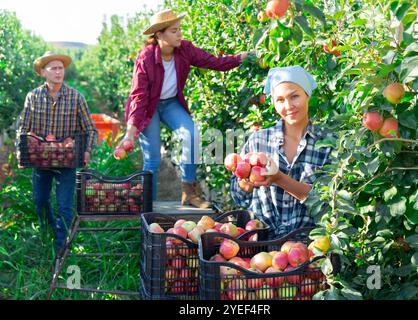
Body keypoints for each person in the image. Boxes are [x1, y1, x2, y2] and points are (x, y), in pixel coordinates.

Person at [121, 9, 251, 208]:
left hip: (170, 103)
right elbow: (138, 96)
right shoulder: (146, 57)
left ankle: (188, 191)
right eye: (174, 31)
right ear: (159, 34)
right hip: (148, 107)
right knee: (153, 158)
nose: (179, 34)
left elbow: (213, 62)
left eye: (179, 29)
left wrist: (239, 58)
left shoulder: (185, 49)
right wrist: (130, 133)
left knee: (191, 134)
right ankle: (149, 205)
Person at [230, 66, 333, 239]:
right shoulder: (259, 141)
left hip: (311, 248)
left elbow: (327, 203)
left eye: (295, 96)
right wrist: (245, 183)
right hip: (260, 249)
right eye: (280, 100)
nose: (288, 106)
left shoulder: (328, 143)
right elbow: (238, 196)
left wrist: (279, 178)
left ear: (307, 95)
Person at [17, 51, 98, 255]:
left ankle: (61, 247)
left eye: (61, 67)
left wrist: (87, 150)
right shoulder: (33, 97)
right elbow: (23, 128)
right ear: (43, 72)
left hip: (66, 160)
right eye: (53, 68)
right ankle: (49, 230)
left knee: (64, 206)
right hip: (41, 159)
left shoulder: (75, 97)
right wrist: (22, 150)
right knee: (40, 200)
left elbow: (90, 129)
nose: (58, 71)